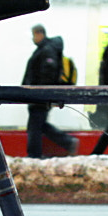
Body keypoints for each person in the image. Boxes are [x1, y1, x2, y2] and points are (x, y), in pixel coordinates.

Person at [22, 24, 77, 157]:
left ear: (40, 34)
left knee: (35, 125)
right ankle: (67, 142)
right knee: (38, 124)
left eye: (34, 35)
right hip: (38, 94)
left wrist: (39, 92)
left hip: (40, 95)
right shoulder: (45, 49)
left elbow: (47, 74)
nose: (33, 38)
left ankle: (35, 155)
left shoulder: (47, 50)